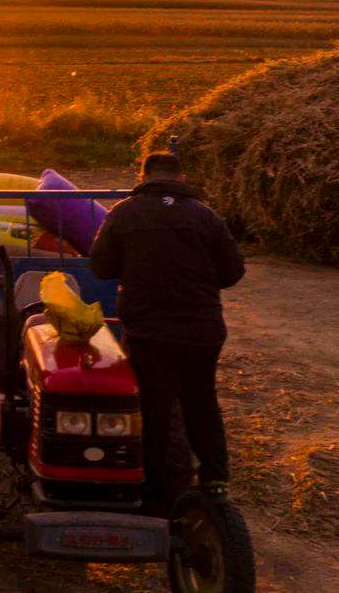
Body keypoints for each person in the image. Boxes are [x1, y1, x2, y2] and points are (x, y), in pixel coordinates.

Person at [89, 150, 245, 513]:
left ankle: (155, 493)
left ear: (143, 176)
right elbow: (233, 271)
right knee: (201, 400)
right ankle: (215, 480)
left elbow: (100, 266)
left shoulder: (124, 213)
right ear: (181, 177)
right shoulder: (206, 216)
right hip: (202, 329)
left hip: (149, 330)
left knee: (153, 408)